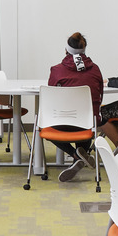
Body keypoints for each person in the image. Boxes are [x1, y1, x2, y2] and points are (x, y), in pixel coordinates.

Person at [48, 32, 103, 182]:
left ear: (66, 50)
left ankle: (75, 155)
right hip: (88, 123)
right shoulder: (96, 69)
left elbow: (51, 97)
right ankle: (81, 154)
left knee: (43, 126)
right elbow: (100, 96)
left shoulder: (56, 70)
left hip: (63, 124)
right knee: (85, 119)